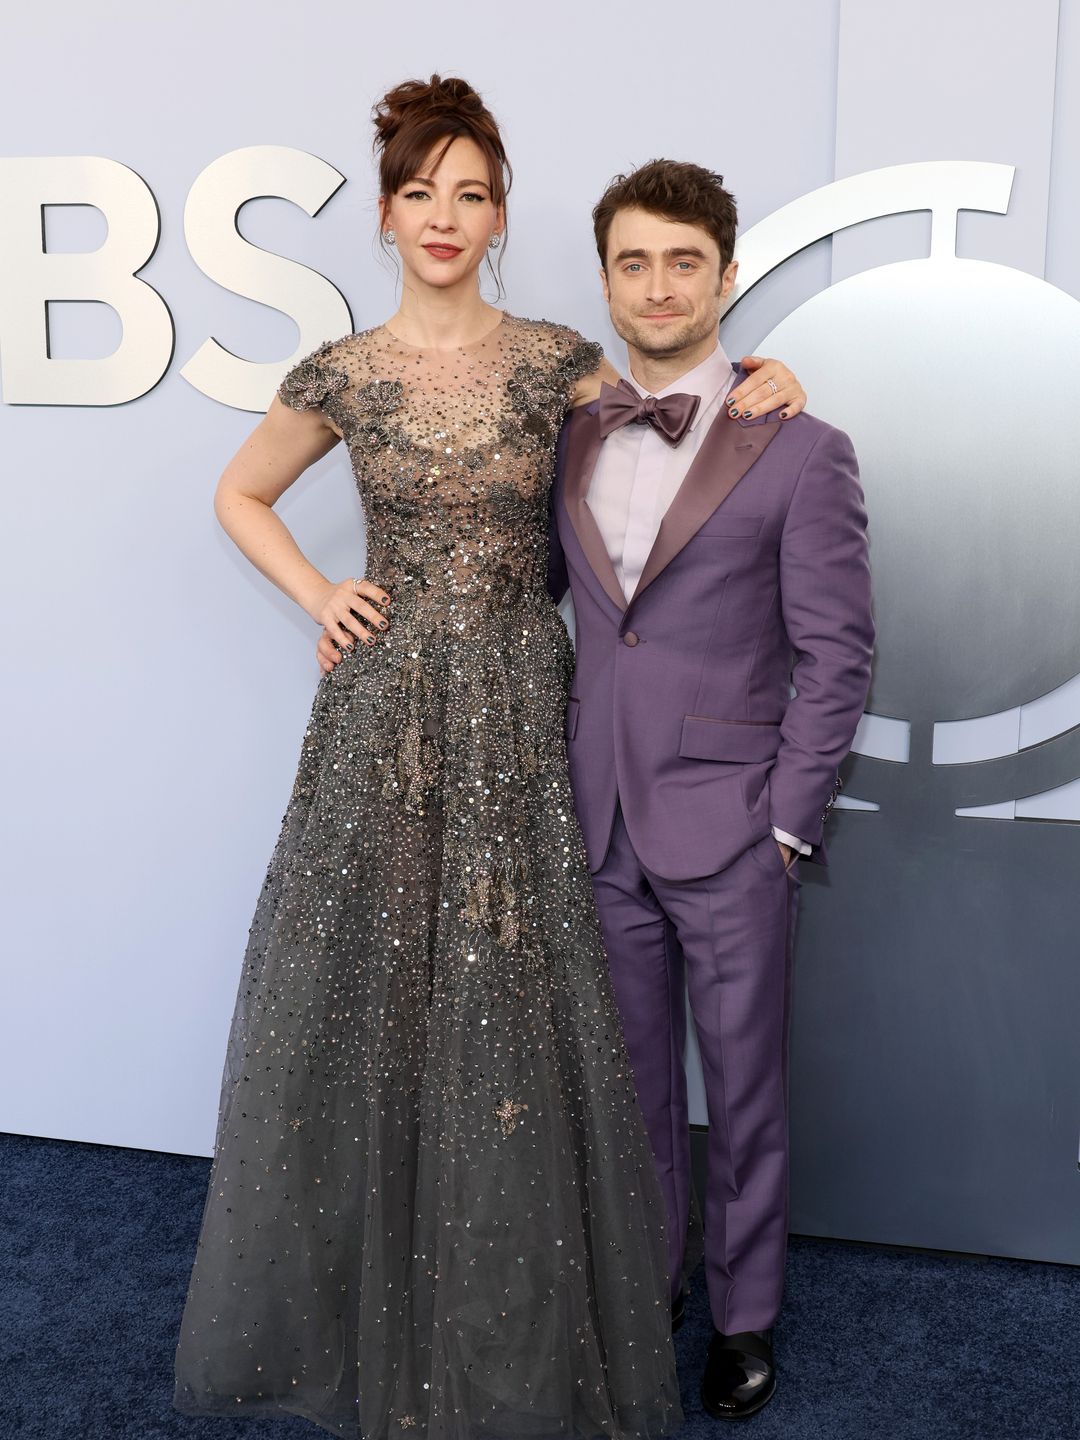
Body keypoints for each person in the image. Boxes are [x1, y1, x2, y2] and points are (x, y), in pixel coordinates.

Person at [176, 76, 803, 1440]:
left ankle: (534, 1279)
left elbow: (669, 410)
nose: (445, 217)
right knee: (383, 994)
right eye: (421, 192)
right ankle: (384, 1279)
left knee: (524, 996)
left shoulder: (557, 360)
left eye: (471, 193)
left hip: (531, 709)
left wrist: (763, 379)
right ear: (390, 213)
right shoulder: (341, 371)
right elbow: (240, 490)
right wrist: (316, 593)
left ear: (500, 214)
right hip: (389, 717)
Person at [544, 161, 873, 1420]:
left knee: (741, 1093)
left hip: (737, 826)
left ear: (726, 275)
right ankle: (650, 1279)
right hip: (600, 817)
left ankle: (744, 1316)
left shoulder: (802, 448)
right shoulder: (572, 428)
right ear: (609, 279)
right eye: (634, 262)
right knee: (628, 1085)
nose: (660, 284)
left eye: (684, 261)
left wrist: (789, 819)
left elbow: (839, 652)